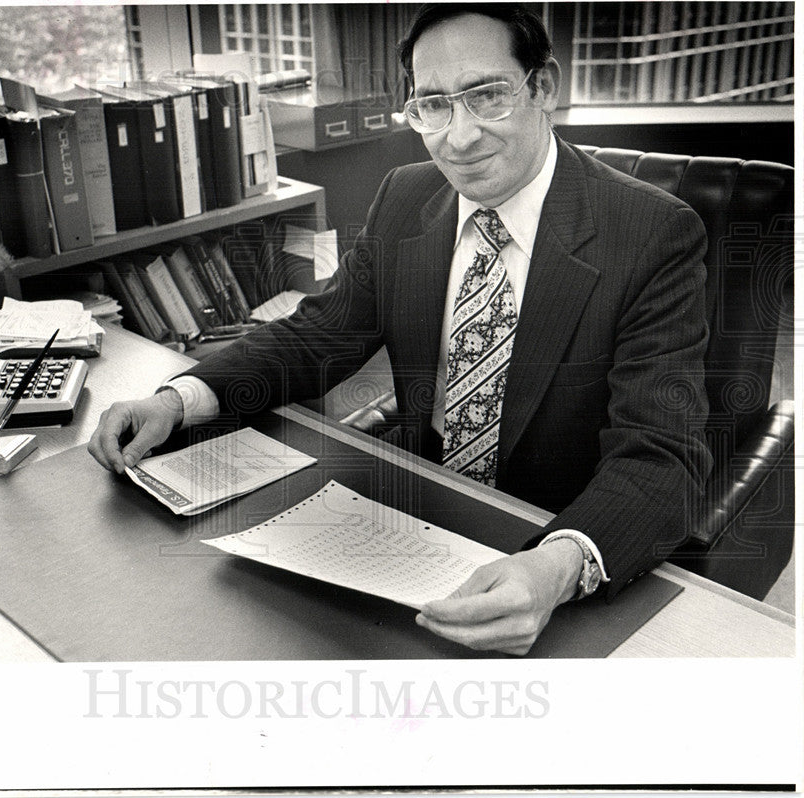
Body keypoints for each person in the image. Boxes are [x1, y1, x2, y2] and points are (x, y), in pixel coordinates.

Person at [89, 3, 712, 655]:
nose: (460, 136)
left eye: (488, 96)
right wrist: (174, 399)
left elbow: (659, 457)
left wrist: (555, 567)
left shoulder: (652, 234)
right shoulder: (405, 195)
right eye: (433, 105)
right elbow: (318, 335)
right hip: (421, 508)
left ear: (544, 88)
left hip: (557, 528)